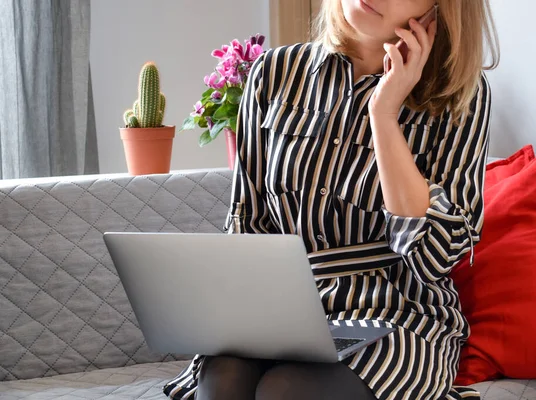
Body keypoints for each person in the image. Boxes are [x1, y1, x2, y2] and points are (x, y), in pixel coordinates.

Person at [164, 0, 499, 398]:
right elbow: (247, 222)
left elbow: (435, 257)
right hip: (279, 310)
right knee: (224, 380)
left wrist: (384, 114)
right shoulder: (273, 73)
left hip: (397, 316)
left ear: (439, 11)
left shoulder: (459, 95)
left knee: (284, 391)